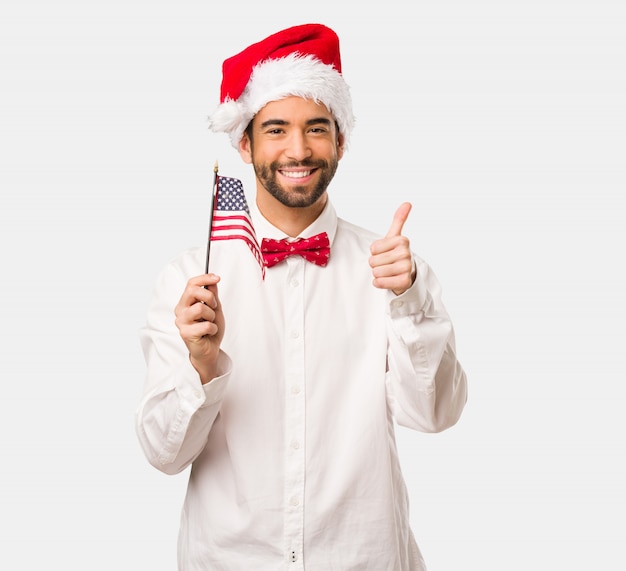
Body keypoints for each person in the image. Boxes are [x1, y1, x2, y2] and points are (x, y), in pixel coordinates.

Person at [135, 23, 468, 571]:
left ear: (341, 141)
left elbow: (434, 415)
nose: (298, 149)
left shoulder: (393, 270)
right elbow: (163, 455)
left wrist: (409, 301)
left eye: (316, 128)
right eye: (275, 130)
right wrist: (201, 363)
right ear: (244, 143)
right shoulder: (190, 279)